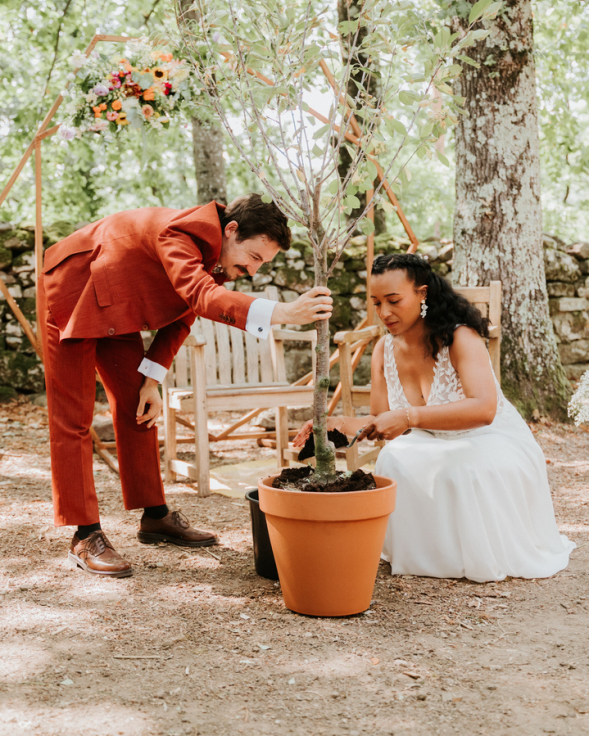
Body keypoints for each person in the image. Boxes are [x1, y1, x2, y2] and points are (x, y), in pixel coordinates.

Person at [40, 194, 332, 578]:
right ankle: (84, 535)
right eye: (254, 257)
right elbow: (202, 297)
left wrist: (152, 379)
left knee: (137, 406)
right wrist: (283, 312)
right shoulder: (178, 235)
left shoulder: (218, 256)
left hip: (115, 298)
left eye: (262, 263)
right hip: (73, 287)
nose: (253, 270)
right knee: (73, 419)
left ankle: (155, 516)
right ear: (231, 230)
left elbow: (184, 313)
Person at [294, 253, 574, 583]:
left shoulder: (460, 338)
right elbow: (380, 418)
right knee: (393, 457)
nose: (384, 312)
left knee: (459, 467)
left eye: (394, 300)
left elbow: (484, 409)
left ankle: (465, 556)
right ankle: (424, 555)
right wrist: (333, 424)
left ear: (422, 294)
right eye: (376, 303)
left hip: (487, 438)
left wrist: (409, 416)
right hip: (429, 440)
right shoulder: (384, 349)